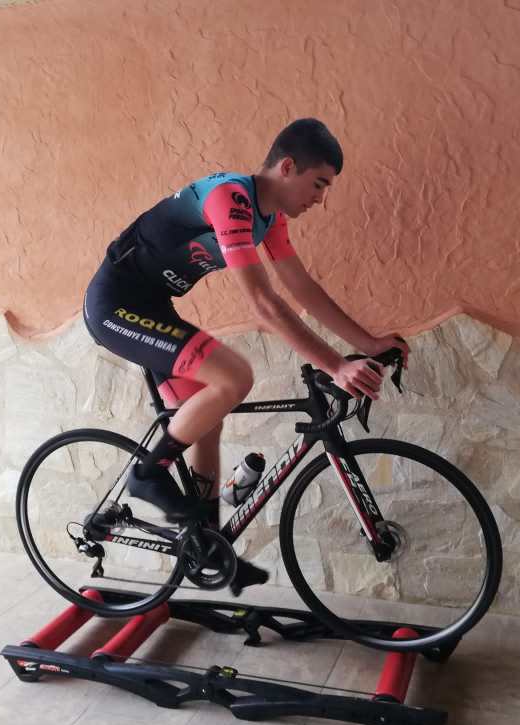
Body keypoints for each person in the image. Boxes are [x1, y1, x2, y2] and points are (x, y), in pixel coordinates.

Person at [83, 118, 410, 593]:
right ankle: (147, 475)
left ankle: (207, 545)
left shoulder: (270, 218)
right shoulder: (231, 199)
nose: (321, 199)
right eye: (319, 184)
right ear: (287, 167)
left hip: (152, 308)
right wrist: (336, 366)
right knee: (234, 376)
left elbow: (302, 289)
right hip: (115, 306)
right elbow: (264, 304)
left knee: (208, 417)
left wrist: (371, 344)